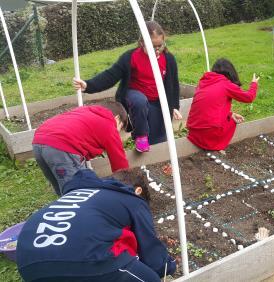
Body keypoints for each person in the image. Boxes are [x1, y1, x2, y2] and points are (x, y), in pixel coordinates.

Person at [16, 168, 177, 282]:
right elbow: (150, 249)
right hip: (84, 259)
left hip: (28, 262)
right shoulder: (133, 200)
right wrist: (168, 265)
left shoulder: (83, 192)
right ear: (137, 191)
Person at [73, 21, 182, 153]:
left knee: (158, 139)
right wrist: (88, 85)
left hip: (156, 100)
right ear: (142, 43)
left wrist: (174, 106)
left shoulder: (168, 59)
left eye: (160, 45)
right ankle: (140, 137)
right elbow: (111, 75)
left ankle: (151, 156)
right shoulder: (131, 57)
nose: (157, 50)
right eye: (153, 46)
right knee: (140, 101)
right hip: (134, 94)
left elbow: (173, 84)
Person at [32, 101, 129, 196]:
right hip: (62, 146)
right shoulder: (109, 124)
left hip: (38, 141)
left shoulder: (83, 111)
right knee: (77, 191)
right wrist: (128, 187)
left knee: (61, 187)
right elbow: (120, 164)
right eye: (120, 127)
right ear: (117, 118)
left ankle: (66, 207)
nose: (118, 132)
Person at [186, 58, 259, 151]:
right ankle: (216, 145)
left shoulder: (203, 82)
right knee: (233, 122)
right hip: (207, 135)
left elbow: (209, 106)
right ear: (230, 72)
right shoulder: (225, 84)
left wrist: (230, 114)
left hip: (193, 132)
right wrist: (254, 84)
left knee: (228, 118)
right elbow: (249, 97)